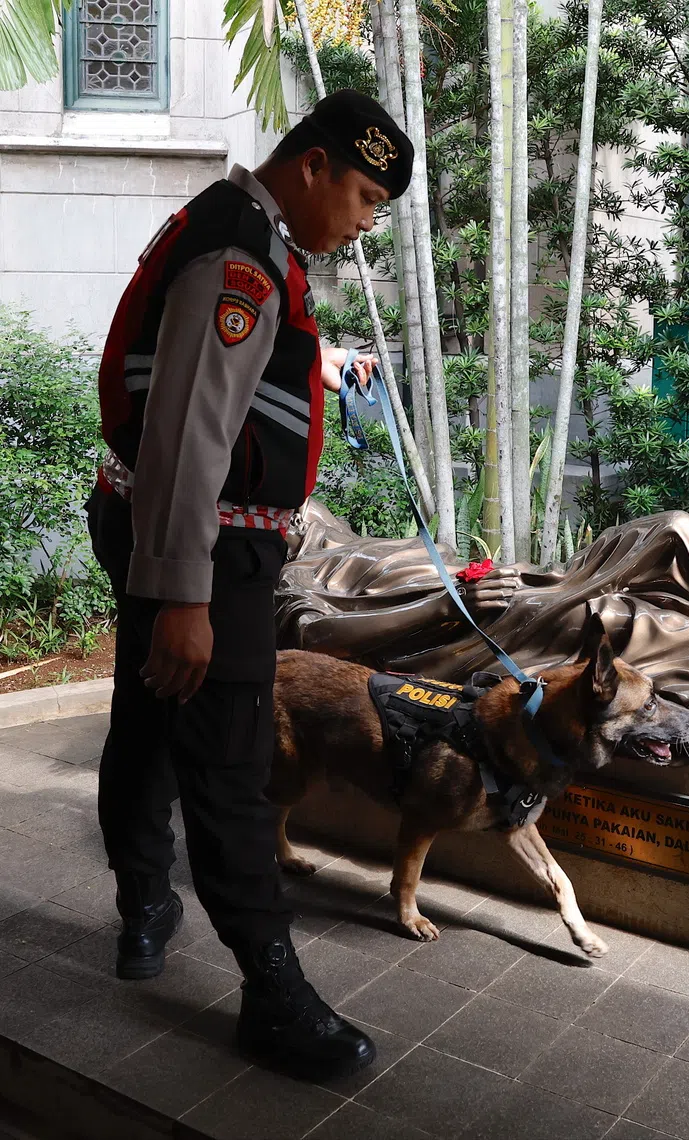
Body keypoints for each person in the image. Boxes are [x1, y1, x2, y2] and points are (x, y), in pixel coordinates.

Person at [84, 89, 410, 1083]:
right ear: (312, 166)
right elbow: (189, 430)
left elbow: (215, 390)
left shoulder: (237, 236)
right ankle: (273, 995)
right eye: (360, 196)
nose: (361, 222)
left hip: (168, 527)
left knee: (147, 721)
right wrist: (184, 596)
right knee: (228, 760)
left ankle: (146, 906)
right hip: (204, 547)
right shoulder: (242, 257)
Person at [277, 501, 689, 753]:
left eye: (300, 506)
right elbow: (315, 645)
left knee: (677, 533)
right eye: (289, 517)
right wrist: (445, 608)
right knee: (620, 624)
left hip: (523, 585)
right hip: (471, 631)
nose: (296, 512)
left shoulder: (344, 536)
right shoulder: (288, 579)